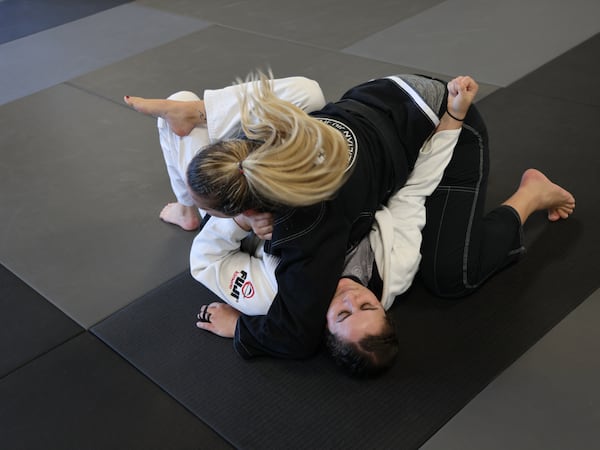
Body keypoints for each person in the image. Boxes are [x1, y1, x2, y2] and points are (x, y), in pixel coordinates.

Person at [125, 73, 575, 372]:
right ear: (383, 304)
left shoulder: (278, 284)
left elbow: (287, 328)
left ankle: (191, 136)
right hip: (435, 122)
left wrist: (241, 318)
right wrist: (453, 122)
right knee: (449, 276)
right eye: (369, 306)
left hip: (403, 118)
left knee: (299, 98)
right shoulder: (391, 266)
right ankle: (531, 195)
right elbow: (412, 194)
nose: (352, 296)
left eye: (342, 312)